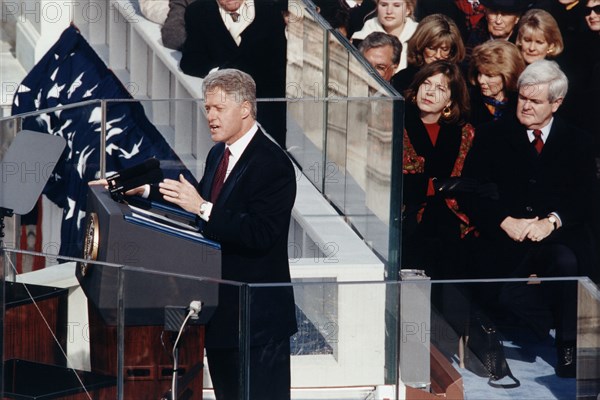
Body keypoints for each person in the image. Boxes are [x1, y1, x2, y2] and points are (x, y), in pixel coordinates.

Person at [93, 69, 298, 399]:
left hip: (257, 323)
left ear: (245, 109)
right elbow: (199, 206)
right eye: (207, 109)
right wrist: (142, 191)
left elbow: (261, 233)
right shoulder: (219, 153)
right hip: (220, 317)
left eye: (218, 109)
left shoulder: (273, 164)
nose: (210, 117)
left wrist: (203, 208)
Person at [462, 60, 596, 378]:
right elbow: (471, 191)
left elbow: (587, 198)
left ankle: (567, 349)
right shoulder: (492, 135)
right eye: (522, 97)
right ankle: (509, 336)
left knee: (567, 262)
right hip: (503, 236)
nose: (526, 106)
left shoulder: (578, 141)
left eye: (535, 101)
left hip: (554, 236)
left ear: (556, 103)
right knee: (500, 293)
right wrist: (503, 220)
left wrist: (551, 221)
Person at [401, 60, 474, 281]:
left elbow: (469, 182)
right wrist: (434, 186)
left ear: (450, 100)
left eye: (440, 88)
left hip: (451, 218)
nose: (430, 92)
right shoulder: (396, 121)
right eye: (426, 84)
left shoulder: (464, 133)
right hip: (406, 216)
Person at [180, 0, 288, 148]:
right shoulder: (198, 11)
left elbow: (279, 63)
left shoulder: (269, 9)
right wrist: (221, 74)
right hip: (225, 108)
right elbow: (190, 61)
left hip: (267, 104)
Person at [391, 13, 466, 93]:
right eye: (432, 48)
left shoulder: (461, 81)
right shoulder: (402, 79)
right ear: (420, 46)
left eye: (444, 49)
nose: (438, 55)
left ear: (452, 50)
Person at [468, 40, 526, 126]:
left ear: (508, 76)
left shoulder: (521, 105)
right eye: (479, 73)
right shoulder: (468, 103)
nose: (481, 80)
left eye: (489, 75)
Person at [351, 0, 419, 71]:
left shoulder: (419, 36)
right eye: (384, 5)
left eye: (396, 6)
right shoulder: (360, 38)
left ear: (408, 9)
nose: (389, 11)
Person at [465, 0, 531, 60]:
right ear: (486, 14)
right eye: (494, 12)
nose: (498, 21)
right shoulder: (475, 36)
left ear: (517, 18)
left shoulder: (524, 42)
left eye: (505, 14)